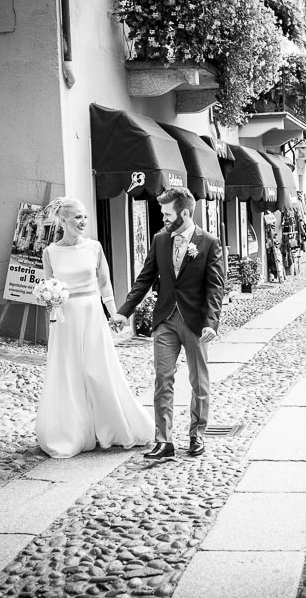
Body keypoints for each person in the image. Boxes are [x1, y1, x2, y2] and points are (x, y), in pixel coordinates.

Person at [36, 197, 153, 459]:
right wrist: (49, 299)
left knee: (97, 371)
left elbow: (105, 286)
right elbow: (49, 286)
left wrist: (115, 316)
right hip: (65, 320)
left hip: (91, 315)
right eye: (77, 217)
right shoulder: (50, 252)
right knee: (69, 374)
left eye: (85, 217)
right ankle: (72, 431)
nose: (82, 221)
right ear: (63, 220)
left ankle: (112, 429)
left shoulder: (94, 247)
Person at [118, 188, 226, 460]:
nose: (163, 218)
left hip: (195, 322)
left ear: (185, 213)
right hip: (165, 319)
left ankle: (196, 435)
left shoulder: (209, 242)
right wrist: (124, 312)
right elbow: (144, 279)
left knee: (198, 381)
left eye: (168, 214)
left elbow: (215, 287)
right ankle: (163, 441)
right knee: (162, 379)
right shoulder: (160, 240)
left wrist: (211, 322)